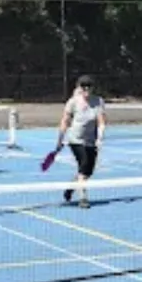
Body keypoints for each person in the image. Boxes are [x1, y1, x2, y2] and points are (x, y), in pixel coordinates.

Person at [54, 75, 106, 208]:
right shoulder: (73, 102)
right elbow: (65, 121)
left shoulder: (98, 101)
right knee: (83, 164)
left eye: (89, 86)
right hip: (75, 139)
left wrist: (100, 138)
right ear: (79, 87)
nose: (86, 89)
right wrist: (60, 140)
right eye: (83, 86)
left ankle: (71, 188)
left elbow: (101, 122)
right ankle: (83, 198)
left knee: (88, 171)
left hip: (91, 140)